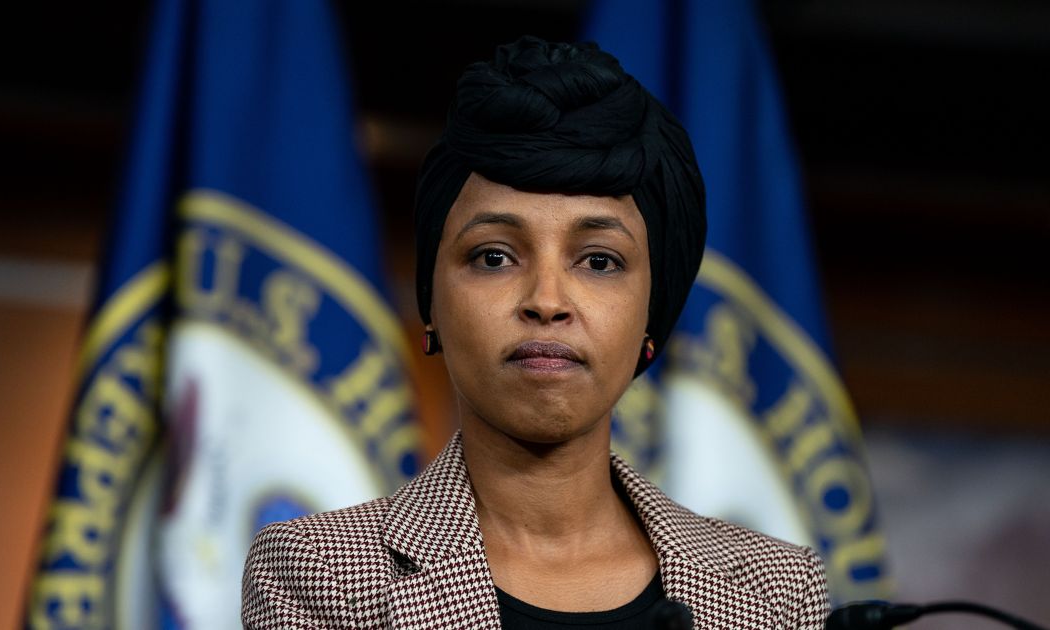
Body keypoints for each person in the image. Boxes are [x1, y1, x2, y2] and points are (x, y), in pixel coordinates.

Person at [241, 35, 829, 629]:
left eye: (599, 261)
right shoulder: (317, 572)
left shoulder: (771, 591)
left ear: (653, 317)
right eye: (494, 257)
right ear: (432, 306)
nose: (547, 301)